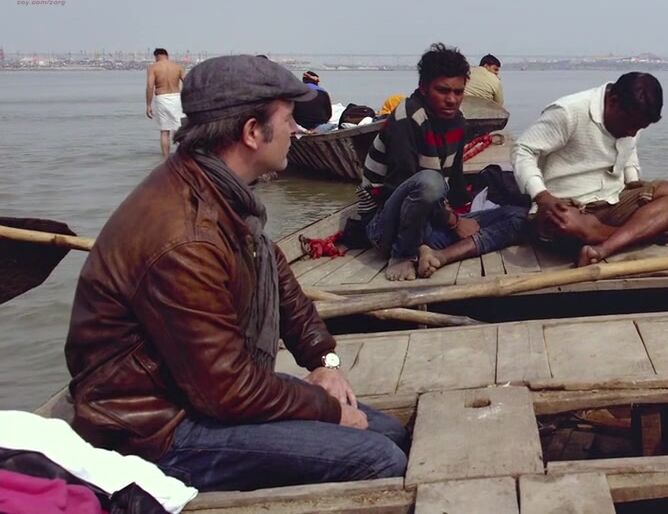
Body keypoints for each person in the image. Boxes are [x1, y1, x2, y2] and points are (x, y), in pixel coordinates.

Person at [65, 55, 408, 492]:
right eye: (287, 119)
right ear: (251, 132)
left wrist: (326, 363)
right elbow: (228, 390)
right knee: (379, 457)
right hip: (156, 431)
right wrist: (325, 408)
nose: (296, 130)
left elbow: (279, 280)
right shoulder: (186, 237)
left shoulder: (216, 190)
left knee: (389, 431)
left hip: (202, 395)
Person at [355, 43, 528, 281]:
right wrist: (454, 222)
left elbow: (455, 185)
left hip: (429, 221)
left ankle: (438, 254)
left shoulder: (457, 122)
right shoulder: (406, 117)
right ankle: (404, 255)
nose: (452, 100)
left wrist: (466, 214)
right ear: (424, 88)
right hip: (385, 226)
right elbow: (399, 188)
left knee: (519, 216)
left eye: (458, 92)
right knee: (430, 182)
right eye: (443, 91)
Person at [512, 72, 668, 267]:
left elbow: (629, 151)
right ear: (613, 102)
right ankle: (642, 233)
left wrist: (634, 184)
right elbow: (523, 150)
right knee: (563, 223)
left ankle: (603, 247)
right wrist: (542, 197)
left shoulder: (632, 119)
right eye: (631, 125)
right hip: (569, 208)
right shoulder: (568, 111)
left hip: (612, 202)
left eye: (640, 128)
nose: (633, 132)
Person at [145, 48, 184, 157]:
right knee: (178, 128)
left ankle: (166, 158)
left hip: (162, 98)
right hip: (177, 98)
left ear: (156, 56)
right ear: (167, 55)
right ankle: (181, 156)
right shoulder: (177, 67)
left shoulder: (153, 67)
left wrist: (148, 105)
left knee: (164, 130)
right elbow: (187, 82)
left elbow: (150, 86)